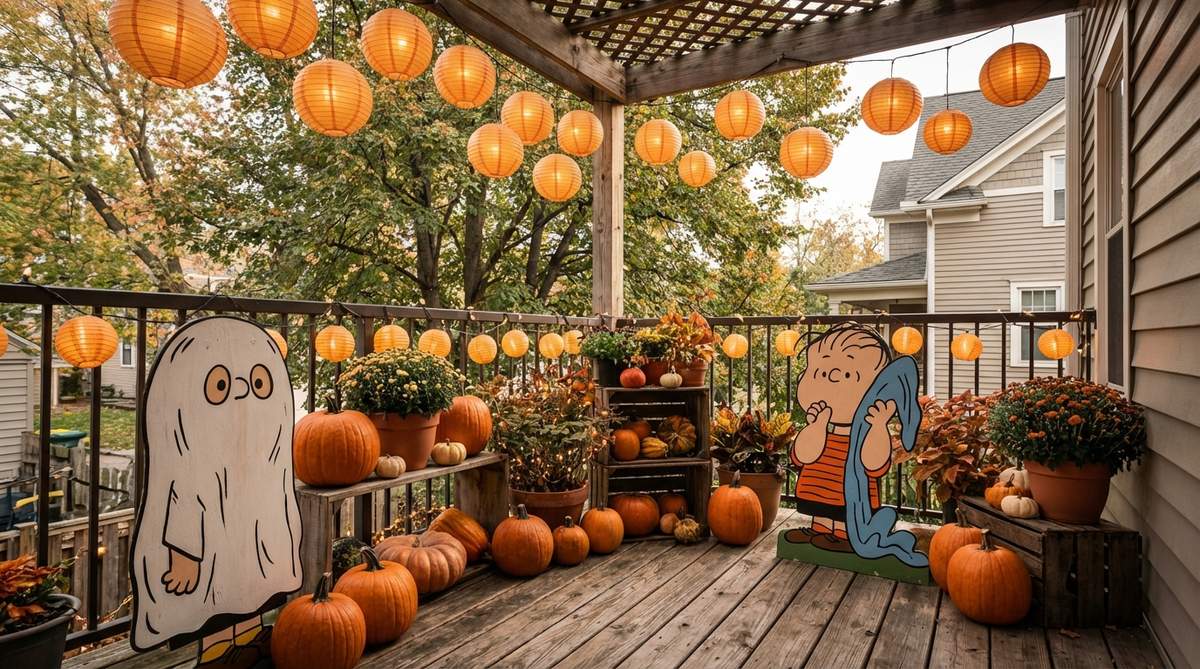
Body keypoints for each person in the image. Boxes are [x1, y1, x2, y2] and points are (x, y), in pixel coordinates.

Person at [130, 317, 302, 666]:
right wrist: (185, 558)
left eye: (257, 382)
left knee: (251, 595)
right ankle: (219, 653)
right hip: (210, 560)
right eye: (221, 385)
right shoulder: (194, 465)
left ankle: (252, 638)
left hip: (249, 549)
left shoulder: (266, 466)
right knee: (216, 605)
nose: (243, 391)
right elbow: (183, 505)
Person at [785, 324, 896, 552]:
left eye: (848, 374)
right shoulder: (821, 425)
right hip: (818, 486)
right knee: (823, 513)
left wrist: (878, 427)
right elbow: (803, 456)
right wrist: (817, 427)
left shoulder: (866, 434)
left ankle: (846, 535)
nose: (834, 379)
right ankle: (821, 529)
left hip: (853, 497)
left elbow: (874, 463)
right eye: (822, 373)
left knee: (846, 509)